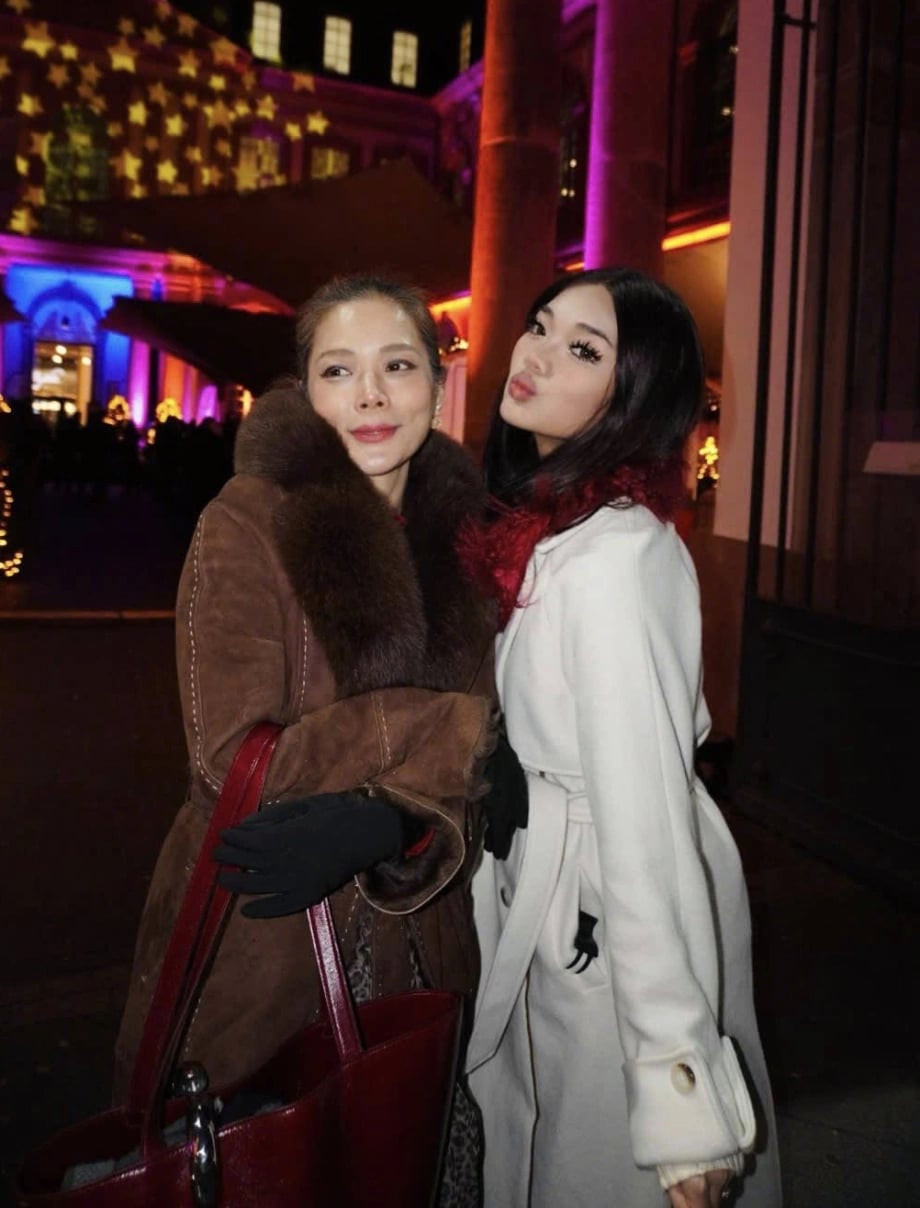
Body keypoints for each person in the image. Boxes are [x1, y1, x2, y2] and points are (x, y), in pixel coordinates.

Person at [113, 274, 497, 1205]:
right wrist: (444, 728)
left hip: (424, 941)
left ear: (436, 381)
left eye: (397, 365)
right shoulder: (251, 517)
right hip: (271, 942)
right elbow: (230, 755)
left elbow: (480, 781)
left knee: (410, 1162)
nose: (370, 395)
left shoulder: (467, 538)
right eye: (338, 369)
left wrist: (397, 819)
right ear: (304, 389)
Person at [459, 267, 782, 1207]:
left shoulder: (616, 556)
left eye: (583, 349)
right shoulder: (552, 526)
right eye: (540, 325)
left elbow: (644, 825)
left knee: (596, 1166)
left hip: (607, 915)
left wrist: (679, 1087)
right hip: (557, 883)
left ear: (631, 397)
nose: (535, 354)